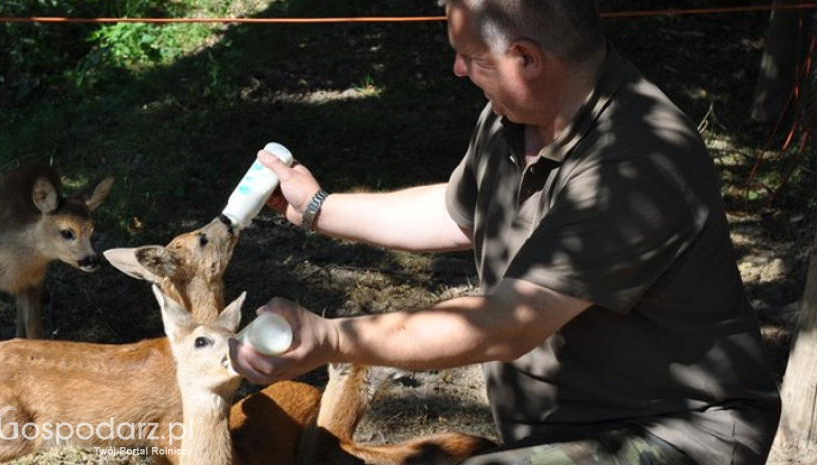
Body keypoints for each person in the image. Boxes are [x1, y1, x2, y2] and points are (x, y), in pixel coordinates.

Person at [228, 1, 782, 464]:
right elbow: (458, 215)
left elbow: (505, 324)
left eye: (469, 57)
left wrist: (330, 339)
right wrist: (320, 207)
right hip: (563, 427)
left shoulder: (635, 169)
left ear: (525, 59)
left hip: (676, 433)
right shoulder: (515, 114)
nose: (458, 71)